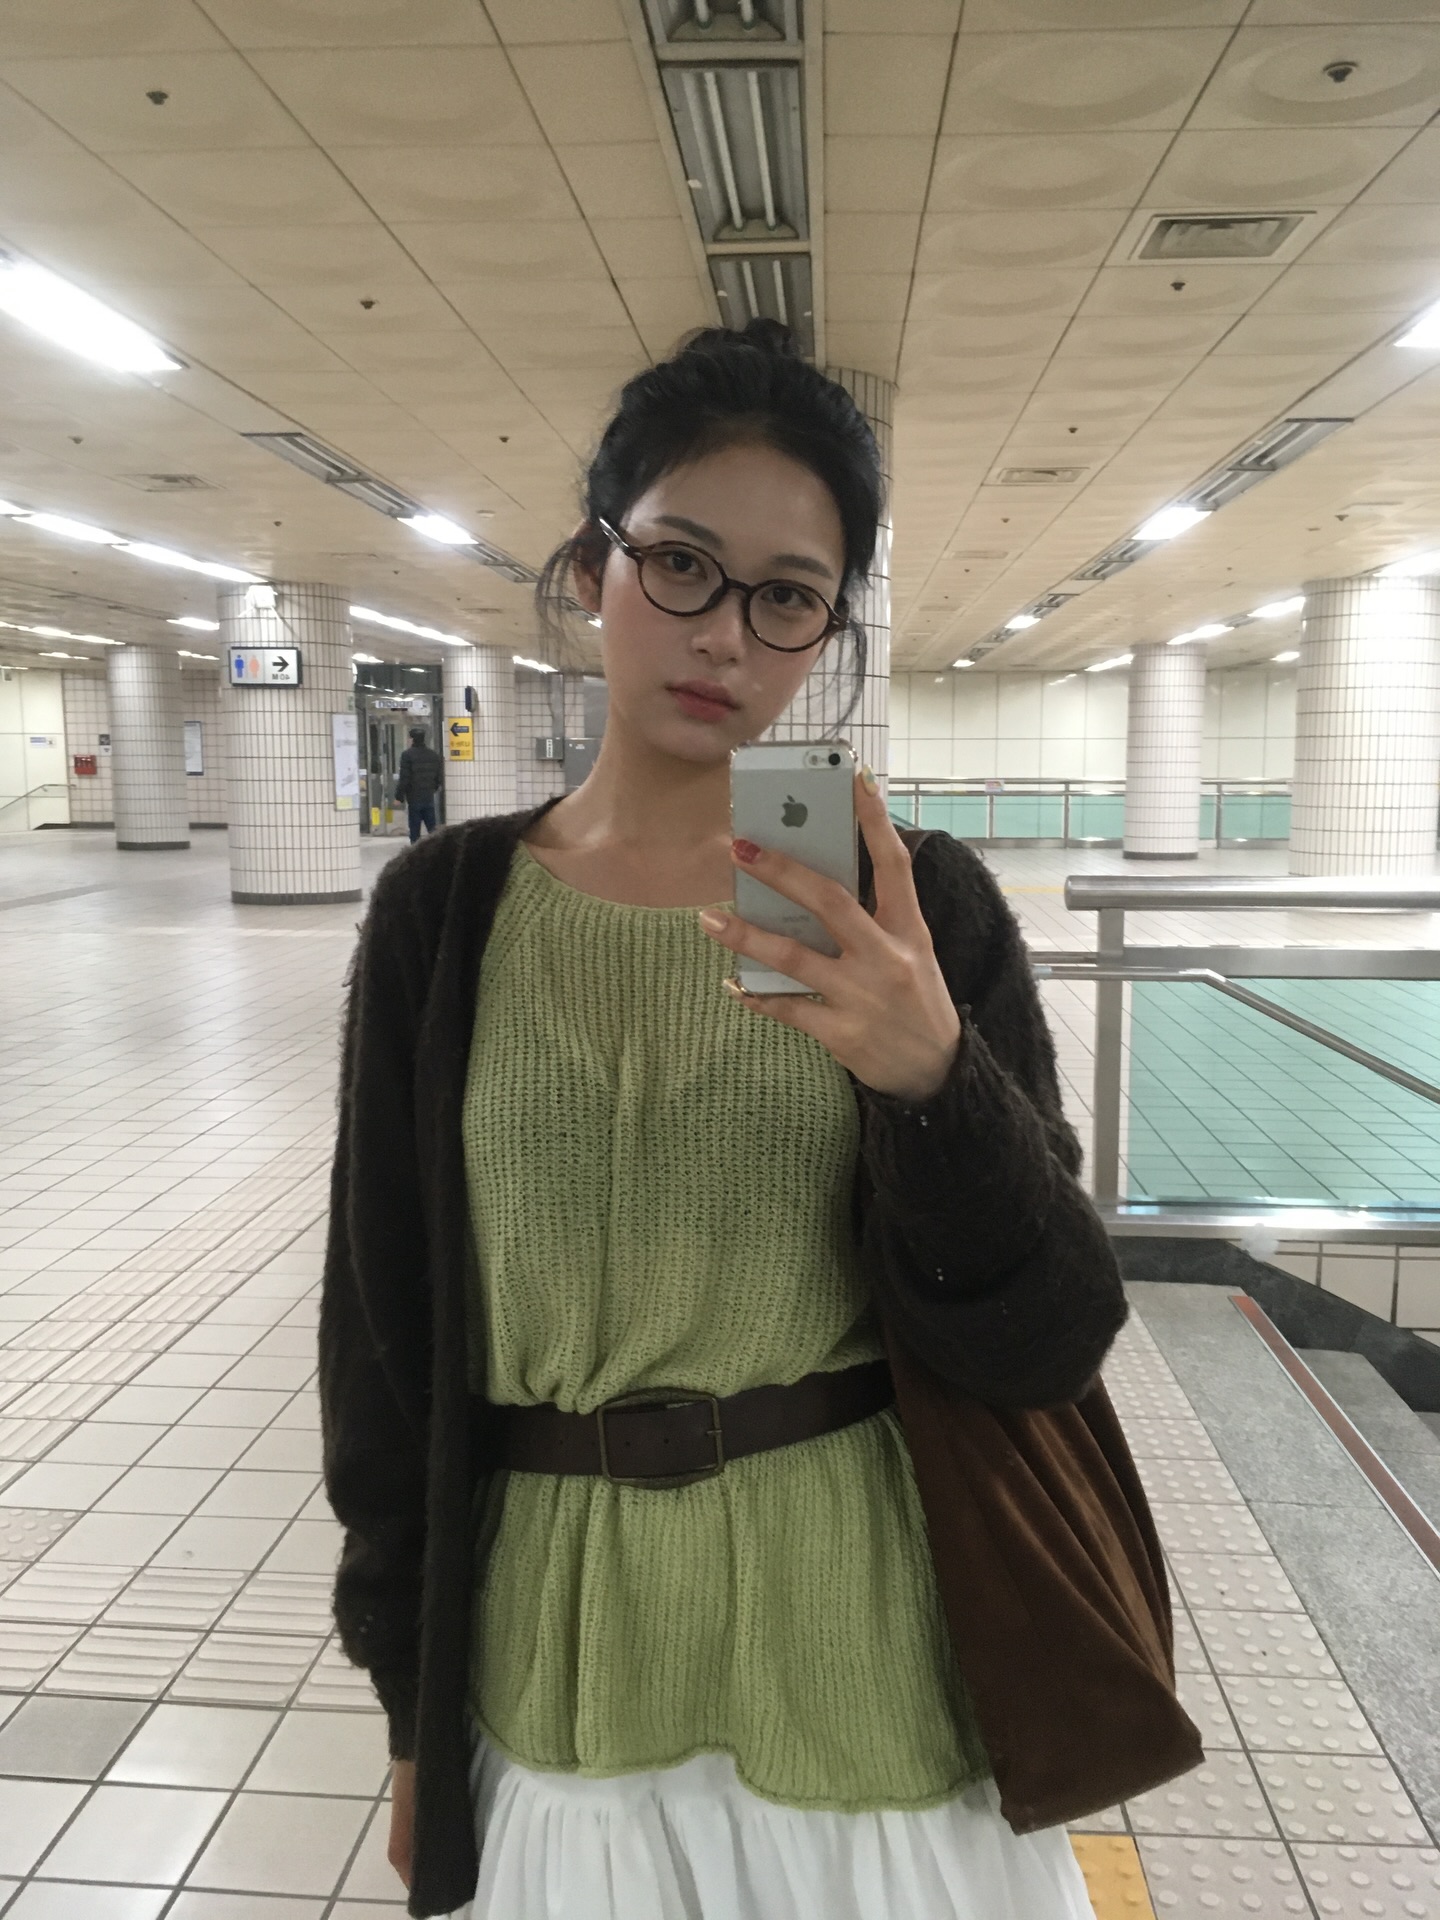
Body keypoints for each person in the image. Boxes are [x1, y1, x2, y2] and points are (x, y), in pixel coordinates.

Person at [320, 321, 1131, 1920]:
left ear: (828, 630)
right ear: (593, 567)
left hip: (864, 1635)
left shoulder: (905, 902)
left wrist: (933, 1080)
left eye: (787, 596)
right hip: (559, 1647)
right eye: (681, 564)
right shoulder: (450, 912)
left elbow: (1053, 1334)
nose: (725, 638)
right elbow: (382, 1338)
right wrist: (412, 1709)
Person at [395, 725, 442, 841]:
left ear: (412, 739)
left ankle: (416, 850)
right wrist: (432, 789)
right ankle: (435, 849)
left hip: (414, 798)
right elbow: (439, 777)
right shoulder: (433, 755)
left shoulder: (407, 755)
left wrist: (399, 797)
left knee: (415, 831)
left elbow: (404, 778)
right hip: (429, 797)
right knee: (432, 830)